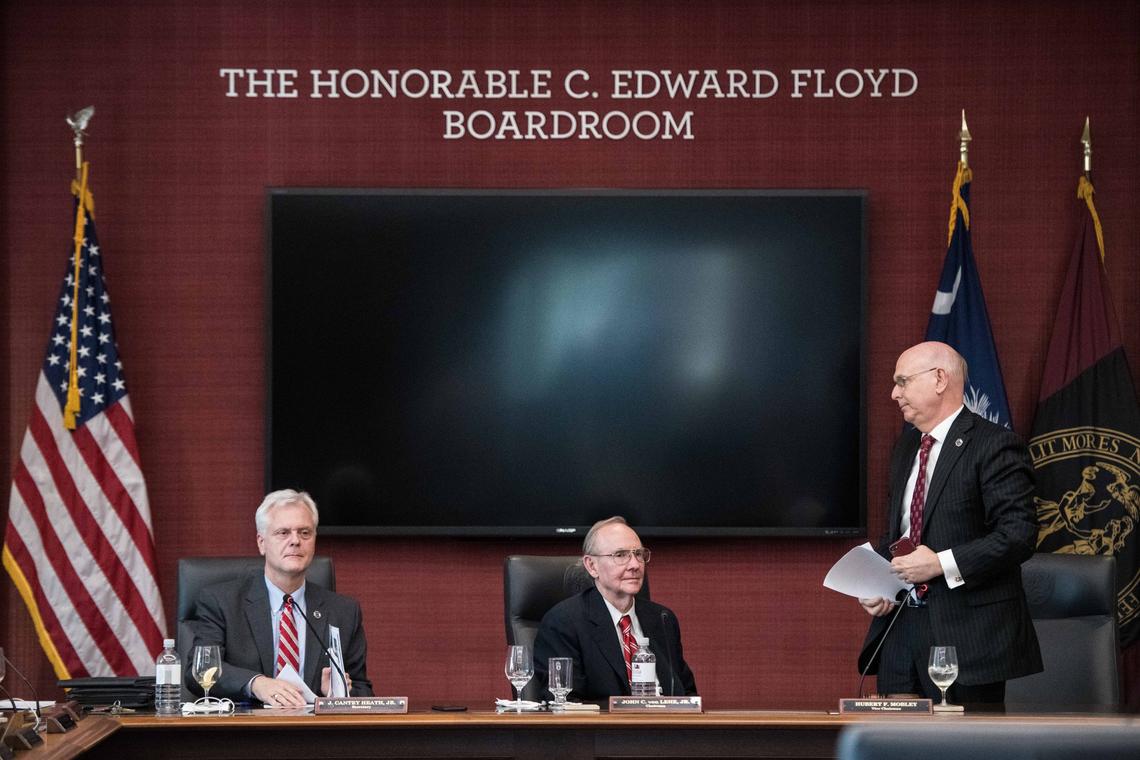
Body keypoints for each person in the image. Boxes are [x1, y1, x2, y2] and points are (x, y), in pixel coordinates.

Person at [858, 341, 1042, 704]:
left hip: (968, 638)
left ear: (940, 379)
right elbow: (900, 533)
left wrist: (939, 563)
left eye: (903, 381)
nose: (894, 393)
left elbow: (1018, 534)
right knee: (897, 748)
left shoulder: (994, 446)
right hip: (899, 632)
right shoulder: (906, 447)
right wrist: (880, 583)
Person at [188, 489, 373, 705]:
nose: (295, 541)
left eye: (305, 533)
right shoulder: (221, 602)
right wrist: (256, 683)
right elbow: (199, 671)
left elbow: (364, 691)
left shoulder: (343, 611)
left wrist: (340, 695)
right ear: (261, 542)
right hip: (243, 732)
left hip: (315, 735)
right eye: (283, 533)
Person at [533, 516, 697, 702]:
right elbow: (567, 705)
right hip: (602, 731)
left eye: (638, 554)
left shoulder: (662, 619)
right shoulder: (563, 622)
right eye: (620, 555)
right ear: (592, 566)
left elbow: (687, 694)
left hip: (666, 729)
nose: (635, 565)